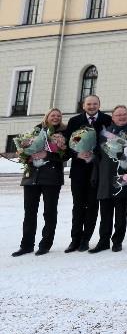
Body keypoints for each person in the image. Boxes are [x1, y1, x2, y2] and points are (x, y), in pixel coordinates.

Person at [12, 109, 68, 256]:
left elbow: (66, 156)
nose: (56, 117)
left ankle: (45, 244)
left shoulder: (64, 133)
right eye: (53, 115)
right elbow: (25, 151)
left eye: (58, 116)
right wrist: (25, 154)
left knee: (49, 212)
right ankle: (26, 245)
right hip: (31, 176)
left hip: (52, 177)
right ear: (47, 116)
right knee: (29, 212)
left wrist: (47, 154)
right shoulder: (36, 131)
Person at [90, 105, 127, 253]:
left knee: (120, 212)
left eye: (124, 114)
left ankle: (117, 241)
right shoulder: (104, 133)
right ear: (113, 117)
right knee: (105, 212)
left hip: (123, 176)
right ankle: (103, 241)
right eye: (118, 115)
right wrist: (95, 176)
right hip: (105, 176)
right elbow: (97, 157)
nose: (122, 117)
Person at [65, 95, 110, 252]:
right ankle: (75, 239)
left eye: (95, 104)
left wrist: (95, 154)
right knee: (77, 205)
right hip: (78, 170)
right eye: (89, 104)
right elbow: (67, 143)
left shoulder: (106, 120)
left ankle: (86, 239)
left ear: (99, 105)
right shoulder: (74, 121)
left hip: (96, 171)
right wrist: (77, 154)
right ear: (83, 106)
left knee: (92, 206)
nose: (92, 106)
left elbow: (109, 143)